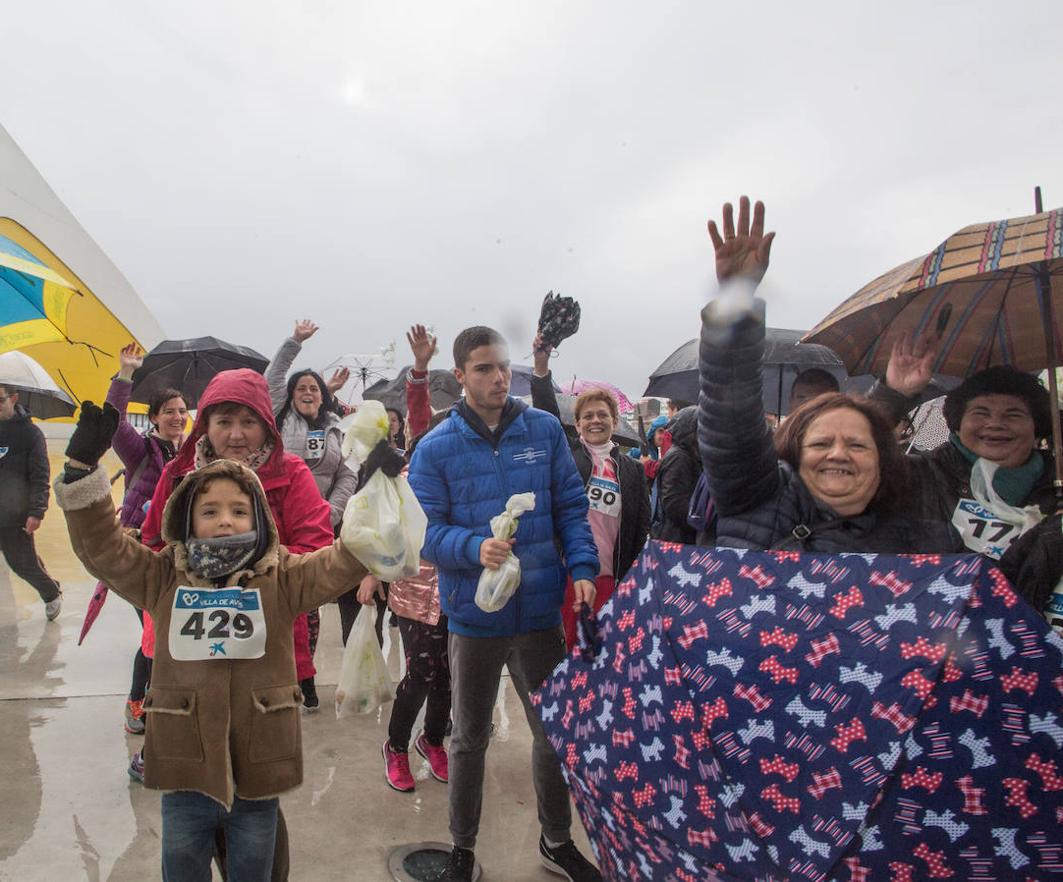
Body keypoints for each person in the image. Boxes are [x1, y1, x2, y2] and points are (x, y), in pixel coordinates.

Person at [54, 401, 370, 882]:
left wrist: (382, 494)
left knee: (253, 869)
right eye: (210, 511)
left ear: (260, 520)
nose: (225, 520)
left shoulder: (282, 576)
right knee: (181, 868)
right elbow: (104, 549)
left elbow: (341, 562)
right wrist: (81, 474)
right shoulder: (162, 577)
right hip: (184, 766)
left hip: (259, 768)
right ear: (186, 518)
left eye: (239, 511)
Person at [408, 326, 601, 882]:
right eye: (485, 369)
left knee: (552, 734)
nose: (498, 378)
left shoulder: (542, 429)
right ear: (461, 375)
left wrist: (583, 568)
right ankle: (461, 848)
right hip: (475, 617)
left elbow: (570, 507)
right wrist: (473, 547)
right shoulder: (437, 446)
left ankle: (556, 840)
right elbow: (425, 533)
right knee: (469, 738)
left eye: (503, 368)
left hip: (540, 614)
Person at [698, 196, 961, 553]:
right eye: (820, 444)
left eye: (857, 446)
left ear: (884, 457)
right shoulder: (755, 499)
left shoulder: (929, 543)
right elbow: (728, 414)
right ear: (794, 451)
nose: (838, 454)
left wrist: (895, 396)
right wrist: (737, 296)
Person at [873, 347, 1061, 609]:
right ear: (957, 423)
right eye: (980, 413)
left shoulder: (1057, 488)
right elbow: (850, 458)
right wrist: (892, 396)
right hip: (933, 632)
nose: (995, 424)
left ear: (1036, 425)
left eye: (1013, 415)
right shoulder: (915, 475)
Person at [361, 324, 452, 793]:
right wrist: (419, 368)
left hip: (459, 592)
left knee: (449, 678)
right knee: (419, 673)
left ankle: (432, 740)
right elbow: (383, 528)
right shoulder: (407, 470)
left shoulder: (474, 474)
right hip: (414, 589)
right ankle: (396, 746)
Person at [531, 337, 651, 646]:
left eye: (602, 415)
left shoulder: (631, 470)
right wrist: (542, 365)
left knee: (605, 656)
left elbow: (640, 529)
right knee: (570, 653)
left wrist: (633, 581)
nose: (595, 420)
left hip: (612, 577)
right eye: (588, 416)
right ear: (577, 422)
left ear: (614, 420)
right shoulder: (566, 455)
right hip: (568, 573)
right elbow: (545, 407)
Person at [266, 319, 359, 711]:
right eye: (302, 388)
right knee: (276, 601)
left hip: (316, 525)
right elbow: (273, 378)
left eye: (314, 389)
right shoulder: (277, 418)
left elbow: (348, 474)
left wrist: (330, 511)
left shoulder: (336, 428)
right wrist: (295, 342)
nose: (308, 392)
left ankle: (304, 675)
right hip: (274, 523)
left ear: (324, 397)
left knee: (309, 603)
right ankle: (280, 674)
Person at [105, 343, 189, 735]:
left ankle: (165, 697)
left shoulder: (194, 454)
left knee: (172, 630)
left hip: (182, 557)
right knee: (155, 631)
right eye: (169, 411)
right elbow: (115, 424)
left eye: (182, 411)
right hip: (145, 554)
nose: (177, 417)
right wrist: (125, 375)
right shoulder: (141, 452)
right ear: (154, 418)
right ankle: (137, 702)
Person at [0, 383, 61, 620]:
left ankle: (50, 592)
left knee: (22, 563)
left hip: (14, 515)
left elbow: (40, 476)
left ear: (13, 398)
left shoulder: (30, 434)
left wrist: (37, 511)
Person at [652, 405, 701, 544]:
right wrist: (699, 520)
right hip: (678, 539)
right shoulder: (679, 457)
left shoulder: (689, 454)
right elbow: (674, 503)